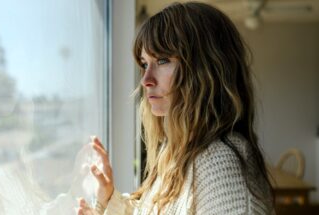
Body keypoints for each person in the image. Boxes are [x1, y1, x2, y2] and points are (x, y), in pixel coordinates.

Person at [78, 2, 274, 214]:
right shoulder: (178, 151)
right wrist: (108, 200)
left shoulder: (219, 163)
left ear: (205, 70)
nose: (146, 80)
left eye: (163, 60)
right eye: (144, 63)